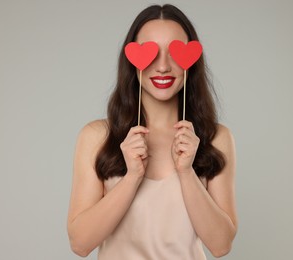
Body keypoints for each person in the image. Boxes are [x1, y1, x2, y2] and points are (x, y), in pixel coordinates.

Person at [67, 4, 237, 259]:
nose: (163, 67)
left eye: (174, 52)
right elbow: (80, 244)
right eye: (151, 53)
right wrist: (132, 178)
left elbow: (221, 245)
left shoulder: (215, 138)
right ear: (132, 61)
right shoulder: (96, 137)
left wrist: (186, 172)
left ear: (191, 62)